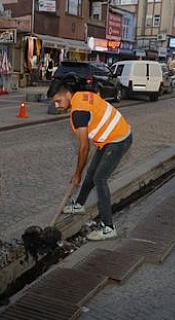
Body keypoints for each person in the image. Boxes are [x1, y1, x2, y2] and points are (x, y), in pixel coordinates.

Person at [48, 75, 132, 241]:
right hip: (107, 139)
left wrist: (77, 174)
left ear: (66, 94)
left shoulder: (78, 112)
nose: (57, 106)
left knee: (100, 178)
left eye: (58, 101)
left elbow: (84, 147)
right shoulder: (80, 96)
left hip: (119, 139)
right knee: (92, 172)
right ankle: (79, 204)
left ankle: (108, 227)